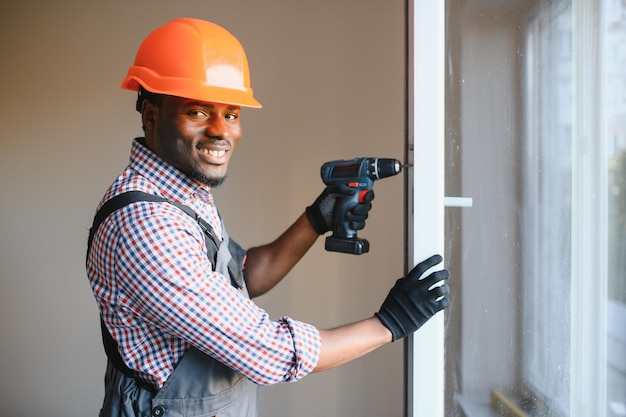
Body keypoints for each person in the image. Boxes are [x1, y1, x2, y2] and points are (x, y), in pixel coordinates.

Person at [86, 17, 450, 417]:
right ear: (151, 115)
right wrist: (389, 323)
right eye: (197, 111)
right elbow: (269, 353)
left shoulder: (182, 192)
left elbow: (243, 277)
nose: (220, 131)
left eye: (231, 113)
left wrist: (316, 219)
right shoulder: (147, 225)